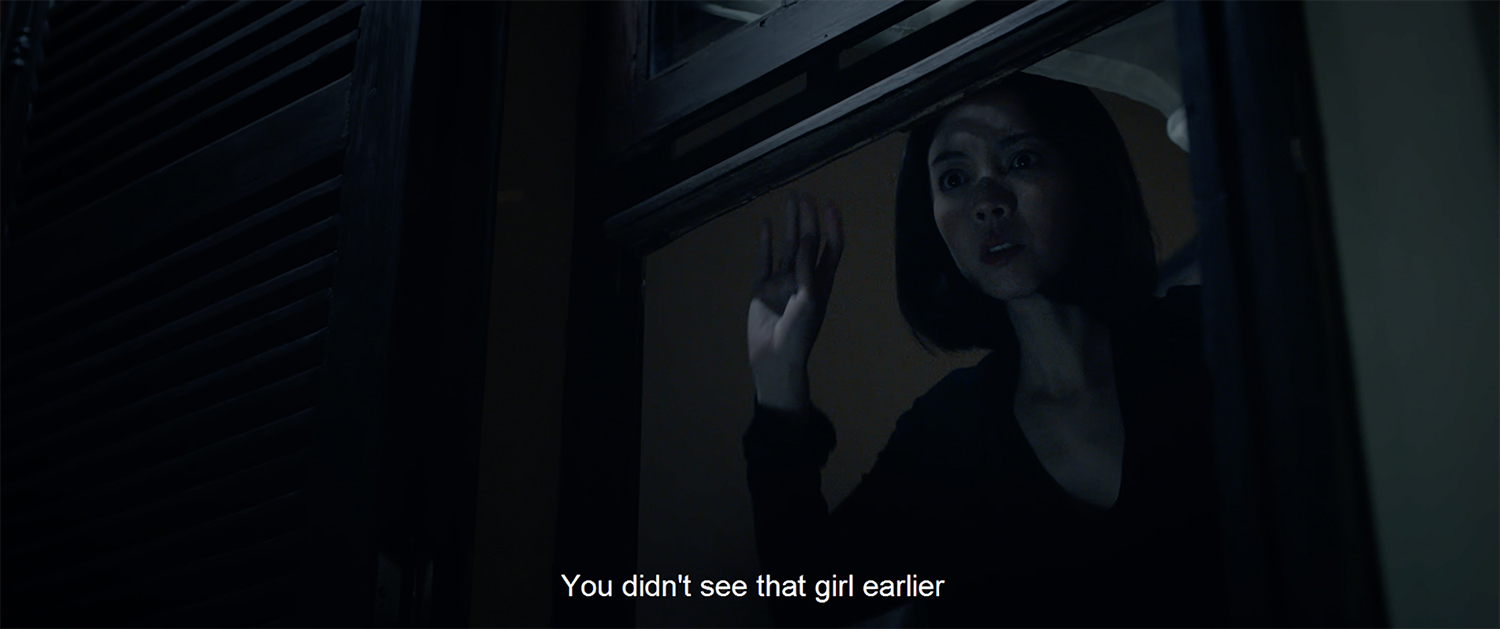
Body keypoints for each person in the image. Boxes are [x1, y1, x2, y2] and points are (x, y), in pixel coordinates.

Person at [743, 73, 1228, 627]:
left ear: (1083, 174)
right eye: (955, 178)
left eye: (1021, 161)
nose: (987, 203)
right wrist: (778, 381)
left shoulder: (1210, 336)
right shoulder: (949, 434)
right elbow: (807, 596)